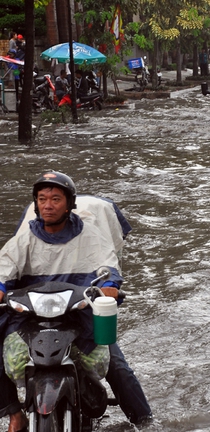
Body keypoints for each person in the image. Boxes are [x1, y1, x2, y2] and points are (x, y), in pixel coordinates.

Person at [0, 172, 153, 431]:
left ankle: (145, 422)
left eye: (56, 199)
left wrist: (109, 286)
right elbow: (4, 269)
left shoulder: (91, 236)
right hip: (32, 315)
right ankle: (14, 413)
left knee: (116, 365)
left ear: (70, 203)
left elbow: (108, 268)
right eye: (42, 199)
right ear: (36, 204)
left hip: (78, 312)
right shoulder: (24, 239)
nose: (48, 205)